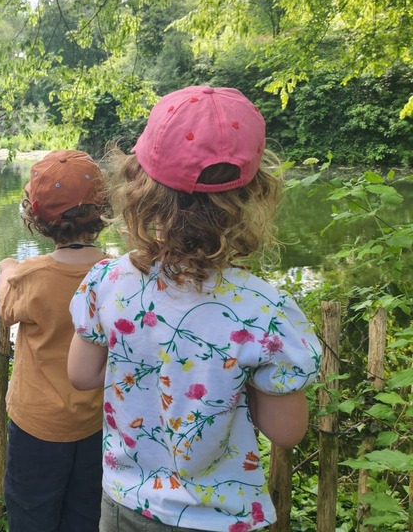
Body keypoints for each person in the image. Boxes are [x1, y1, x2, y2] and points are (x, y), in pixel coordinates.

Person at [67, 86, 322, 532]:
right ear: (254, 192)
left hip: (128, 505)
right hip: (219, 517)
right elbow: (286, 431)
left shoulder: (108, 283)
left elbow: (82, 375)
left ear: (139, 183)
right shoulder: (264, 310)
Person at [0, 149, 109, 532]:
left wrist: (8, 269)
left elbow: (5, 308)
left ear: (37, 217)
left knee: (32, 513)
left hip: (37, 425)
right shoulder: (116, 275)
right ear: (100, 211)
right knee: (86, 513)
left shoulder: (31, 276)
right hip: (96, 420)